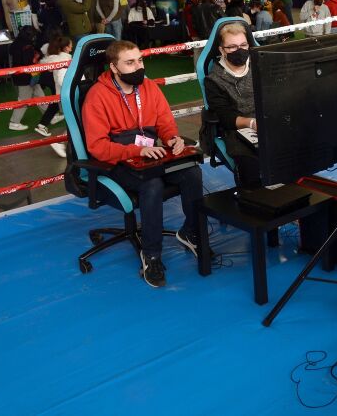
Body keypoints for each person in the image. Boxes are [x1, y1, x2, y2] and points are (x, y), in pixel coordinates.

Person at [82, 40, 203, 288]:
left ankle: (190, 232)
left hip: (148, 155)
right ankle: (151, 255)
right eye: (130, 63)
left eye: (140, 60)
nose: (138, 67)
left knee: (191, 172)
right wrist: (137, 150)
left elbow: (165, 122)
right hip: (116, 161)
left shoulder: (149, 87)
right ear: (113, 67)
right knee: (152, 184)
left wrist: (172, 139)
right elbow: (98, 147)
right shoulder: (97, 96)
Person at [203, 23, 263, 190]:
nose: (240, 50)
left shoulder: (261, 64)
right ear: (222, 50)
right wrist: (251, 123)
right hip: (237, 129)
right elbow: (225, 116)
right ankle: (254, 198)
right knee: (251, 166)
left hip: (268, 120)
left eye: (243, 45)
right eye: (232, 47)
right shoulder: (214, 80)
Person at [34, 35, 72, 157]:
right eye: (70, 45)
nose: (72, 47)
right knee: (77, 121)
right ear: (66, 47)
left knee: (75, 120)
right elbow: (62, 78)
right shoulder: (65, 59)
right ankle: (60, 142)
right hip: (66, 91)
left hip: (61, 90)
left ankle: (61, 141)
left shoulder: (53, 55)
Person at [7, 26, 48, 131]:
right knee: (24, 100)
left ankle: (49, 115)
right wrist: (37, 57)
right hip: (25, 77)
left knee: (40, 95)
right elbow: (28, 62)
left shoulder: (16, 43)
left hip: (22, 75)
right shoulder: (27, 46)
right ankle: (14, 122)